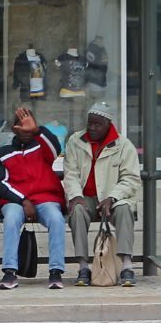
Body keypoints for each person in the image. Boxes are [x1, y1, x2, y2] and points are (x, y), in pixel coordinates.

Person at [63, 101, 142, 287]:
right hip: (86, 197)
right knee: (77, 211)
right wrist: (75, 196)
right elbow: (71, 174)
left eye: (97, 124)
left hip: (113, 197)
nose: (92, 127)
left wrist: (112, 197)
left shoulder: (124, 145)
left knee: (124, 210)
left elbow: (130, 179)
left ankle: (126, 266)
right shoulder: (75, 141)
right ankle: (83, 266)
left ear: (108, 125)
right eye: (90, 123)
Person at [0, 107, 67, 290]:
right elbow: (0, 184)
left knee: (57, 219)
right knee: (11, 218)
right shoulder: (2, 152)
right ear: (13, 128)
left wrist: (37, 130)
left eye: (28, 125)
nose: (25, 129)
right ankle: (10, 272)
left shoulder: (41, 146)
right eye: (20, 125)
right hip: (15, 201)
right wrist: (24, 200)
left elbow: (56, 147)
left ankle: (55, 271)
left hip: (45, 198)